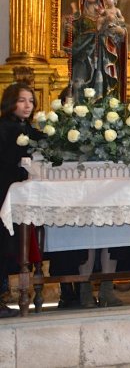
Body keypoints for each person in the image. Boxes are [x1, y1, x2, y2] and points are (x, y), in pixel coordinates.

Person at [0, 83, 41, 317]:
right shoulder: (5, 127)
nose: (28, 105)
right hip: (3, 192)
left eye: (31, 101)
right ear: (10, 102)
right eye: (22, 100)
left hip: (13, 195)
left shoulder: (24, 127)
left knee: (8, 247)